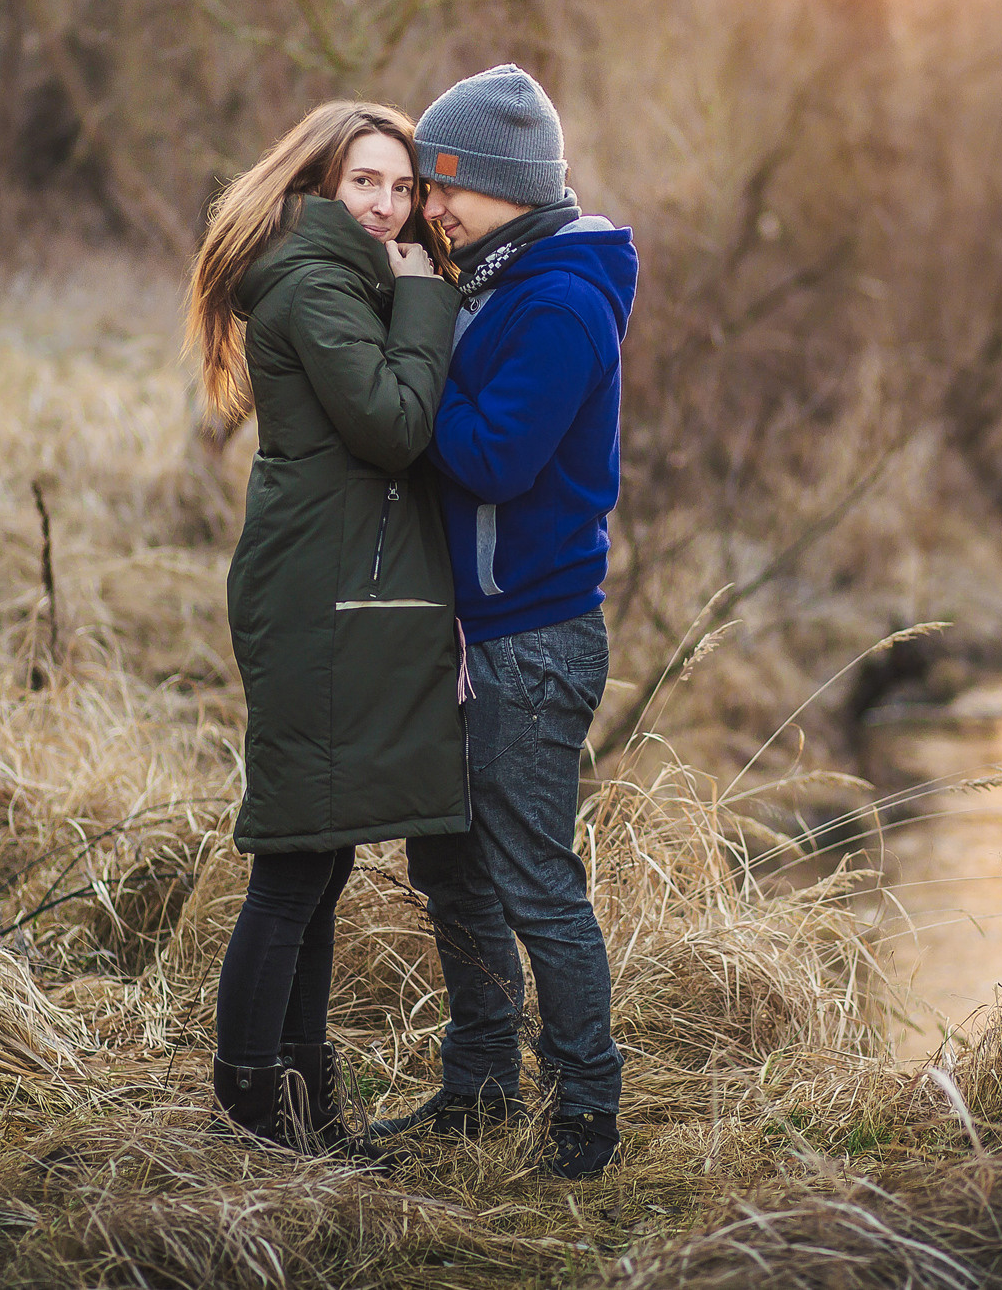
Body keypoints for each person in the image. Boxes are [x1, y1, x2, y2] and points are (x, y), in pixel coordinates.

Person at [362, 64, 637, 1179]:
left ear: (507, 184)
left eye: (445, 189)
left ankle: (585, 1114)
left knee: (532, 880)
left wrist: (406, 376)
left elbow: (489, 456)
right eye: (424, 188)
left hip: (530, 642)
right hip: (466, 634)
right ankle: (477, 1091)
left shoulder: (560, 299)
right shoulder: (494, 279)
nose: (431, 208)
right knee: (451, 870)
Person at [184, 101, 465, 1152]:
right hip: (313, 598)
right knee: (296, 862)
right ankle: (253, 1110)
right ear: (318, 187)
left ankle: (307, 1110)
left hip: (324, 586)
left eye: (401, 188)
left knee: (319, 855)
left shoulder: (335, 277)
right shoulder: (318, 286)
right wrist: (425, 301)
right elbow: (393, 428)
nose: (389, 207)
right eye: (367, 184)